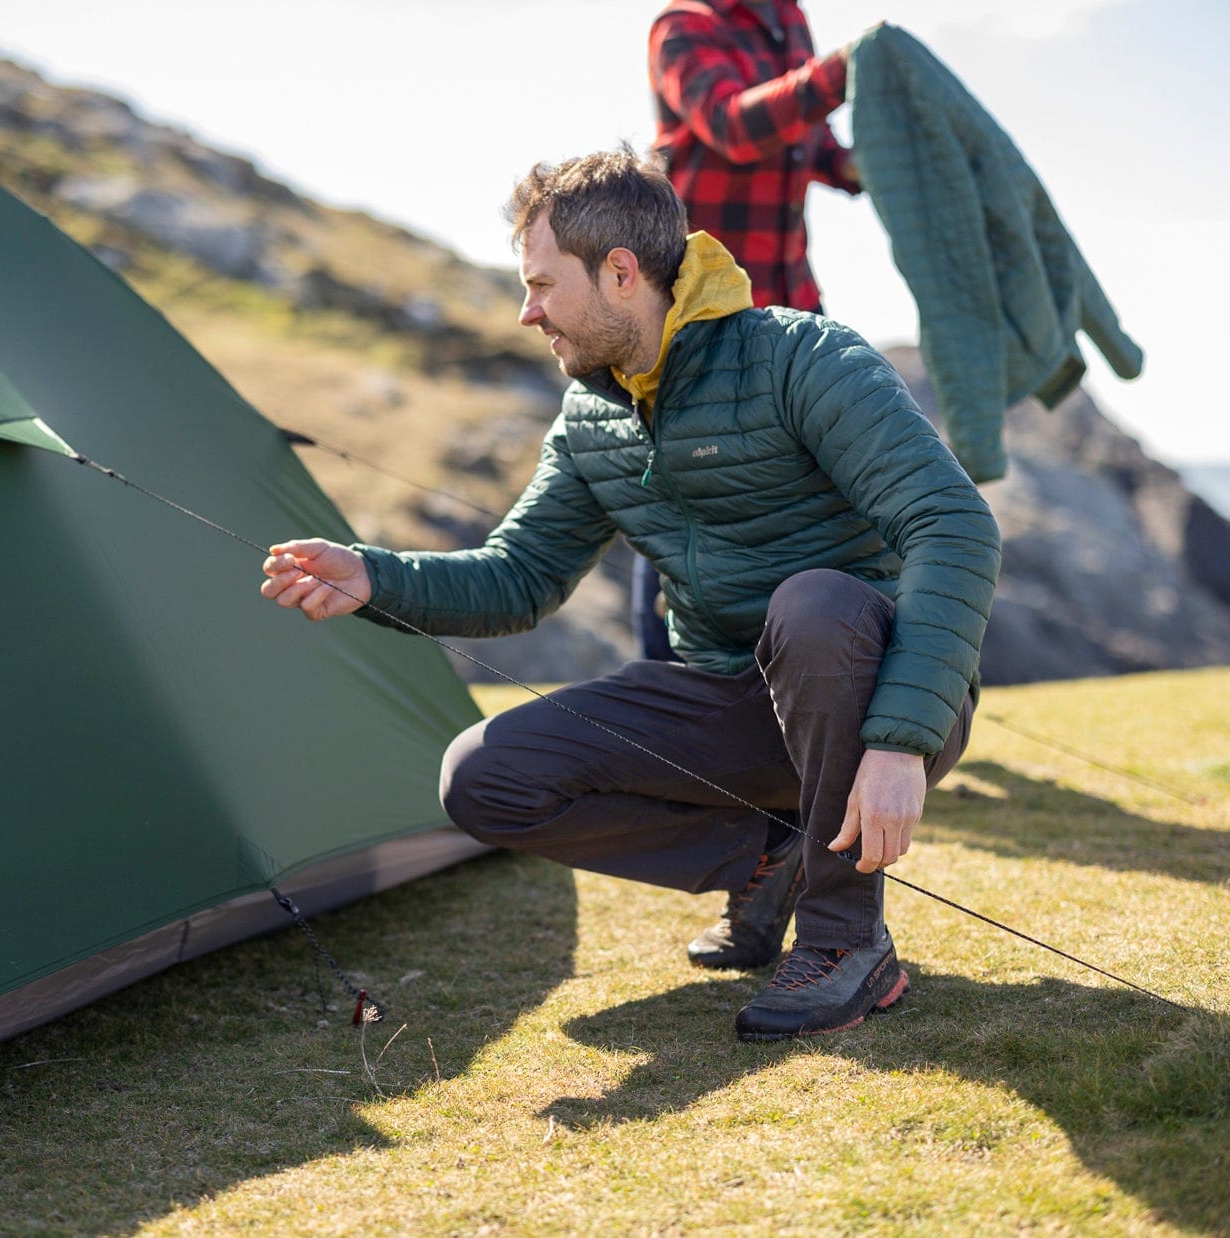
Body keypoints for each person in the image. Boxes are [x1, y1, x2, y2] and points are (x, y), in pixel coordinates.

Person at [259, 150, 999, 1041]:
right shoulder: (590, 419)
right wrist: (376, 576)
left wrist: (896, 745)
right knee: (485, 779)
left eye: (541, 285)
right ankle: (771, 860)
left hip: (873, 693)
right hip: (733, 706)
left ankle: (847, 942)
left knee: (816, 605)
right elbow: (519, 576)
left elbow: (954, 528)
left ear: (620, 273)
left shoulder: (804, 358)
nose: (527, 312)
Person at [632, 0, 865, 663]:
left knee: (798, 496)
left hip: (791, 306)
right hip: (699, 318)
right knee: (688, 500)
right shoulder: (683, 26)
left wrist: (856, 167)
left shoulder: (787, 19)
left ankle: (781, 686)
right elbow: (735, 125)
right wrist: (837, 75)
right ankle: (666, 685)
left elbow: (804, 137)